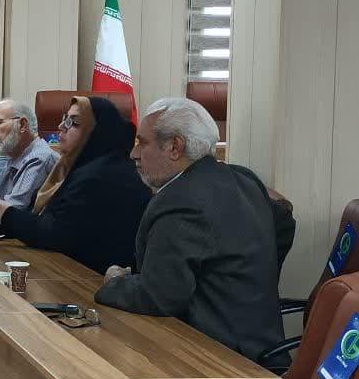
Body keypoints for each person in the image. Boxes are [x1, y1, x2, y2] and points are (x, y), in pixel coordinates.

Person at [96, 98, 294, 365]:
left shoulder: (180, 201)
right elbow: (284, 223)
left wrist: (115, 281)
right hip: (262, 347)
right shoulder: (242, 178)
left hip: (220, 361)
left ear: (174, 147)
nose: (133, 154)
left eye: (142, 143)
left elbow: (157, 296)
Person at [0, 96, 151, 274]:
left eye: (73, 122)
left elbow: (56, 234)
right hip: (70, 269)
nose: (61, 126)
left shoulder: (102, 175)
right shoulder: (78, 166)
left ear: (96, 131)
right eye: (64, 119)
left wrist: (5, 214)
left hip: (91, 279)